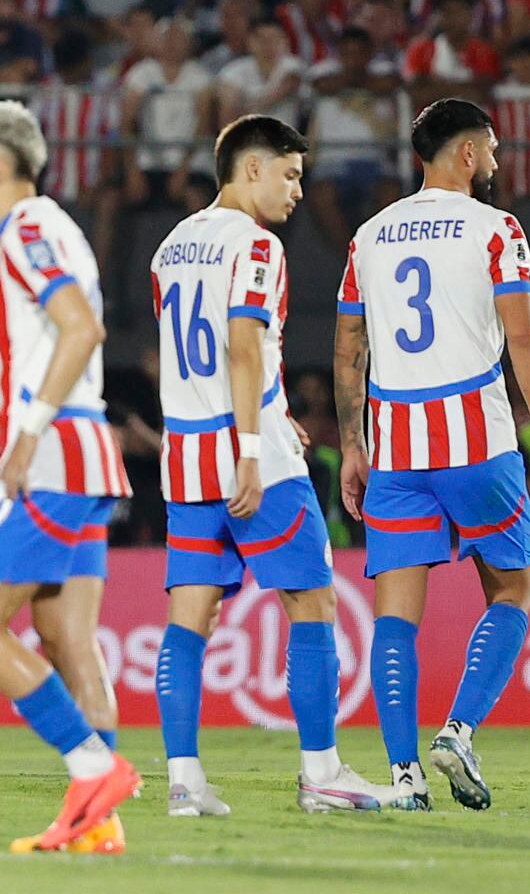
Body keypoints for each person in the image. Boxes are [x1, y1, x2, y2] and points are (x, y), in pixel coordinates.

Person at [152, 115, 391, 817]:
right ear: (250, 169)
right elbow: (243, 345)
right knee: (312, 604)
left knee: (187, 619)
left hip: (186, 456)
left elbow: (183, 356)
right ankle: (322, 773)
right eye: (289, 174)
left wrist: (266, 411)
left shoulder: (170, 245)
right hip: (251, 460)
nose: (297, 190)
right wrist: (253, 450)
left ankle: (183, 780)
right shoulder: (255, 243)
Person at [334, 98, 530, 811]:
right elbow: (523, 339)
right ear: (466, 154)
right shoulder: (497, 229)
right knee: (513, 589)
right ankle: (459, 730)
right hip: (476, 437)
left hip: (396, 447)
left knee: (393, 617)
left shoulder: (368, 236)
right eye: (491, 150)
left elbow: (349, 351)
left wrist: (352, 445)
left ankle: (404, 778)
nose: (496, 163)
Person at [0, 100, 139, 855]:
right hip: (77, 447)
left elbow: (84, 328)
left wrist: (20, 446)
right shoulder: (47, 227)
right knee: (66, 638)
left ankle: (94, 769)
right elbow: (43, 362)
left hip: (53, 454)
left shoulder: (25, 230)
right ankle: (98, 825)